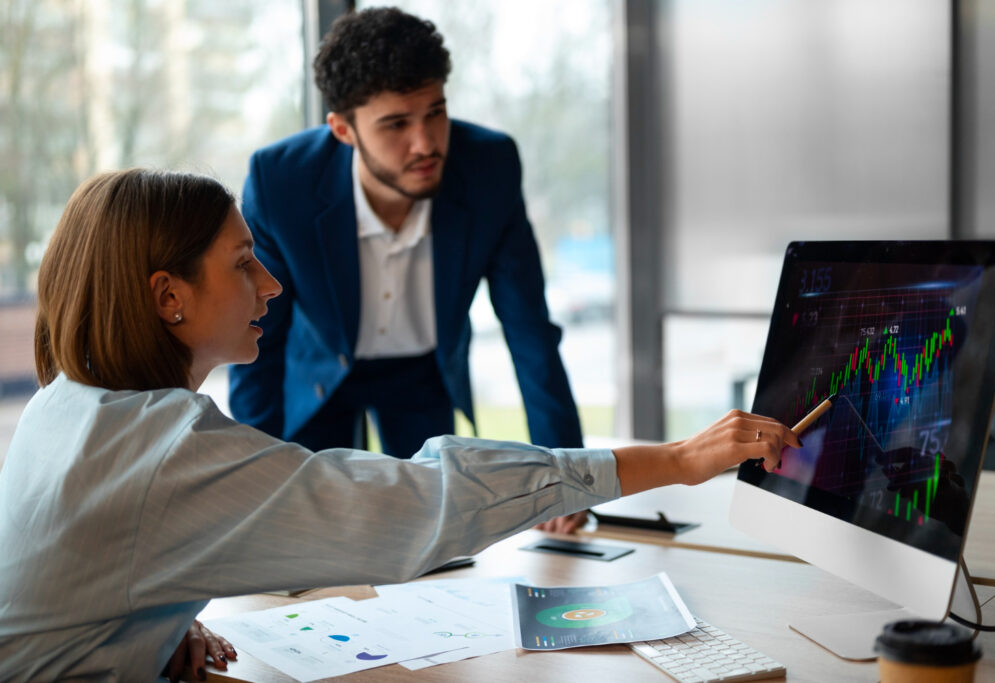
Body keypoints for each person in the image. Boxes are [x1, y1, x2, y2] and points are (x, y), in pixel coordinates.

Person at [0, 169, 796, 681]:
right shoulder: (160, 449)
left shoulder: (68, 408)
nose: (271, 285)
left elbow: (94, 572)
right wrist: (676, 457)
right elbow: (415, 502)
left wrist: (152, 627)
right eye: (243, 261)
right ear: (168, 295)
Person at [227, 8, 589, 530]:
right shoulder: (282, 180)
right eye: (396, 123)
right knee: (310, 535)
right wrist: (251, 482)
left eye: (435, 112)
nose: (426, 143)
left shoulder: (489, 166)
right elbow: (258, 338)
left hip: (423, 374)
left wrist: (566, 474)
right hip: (320, 375)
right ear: (342, 128)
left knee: (431, 537)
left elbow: (529, 329)